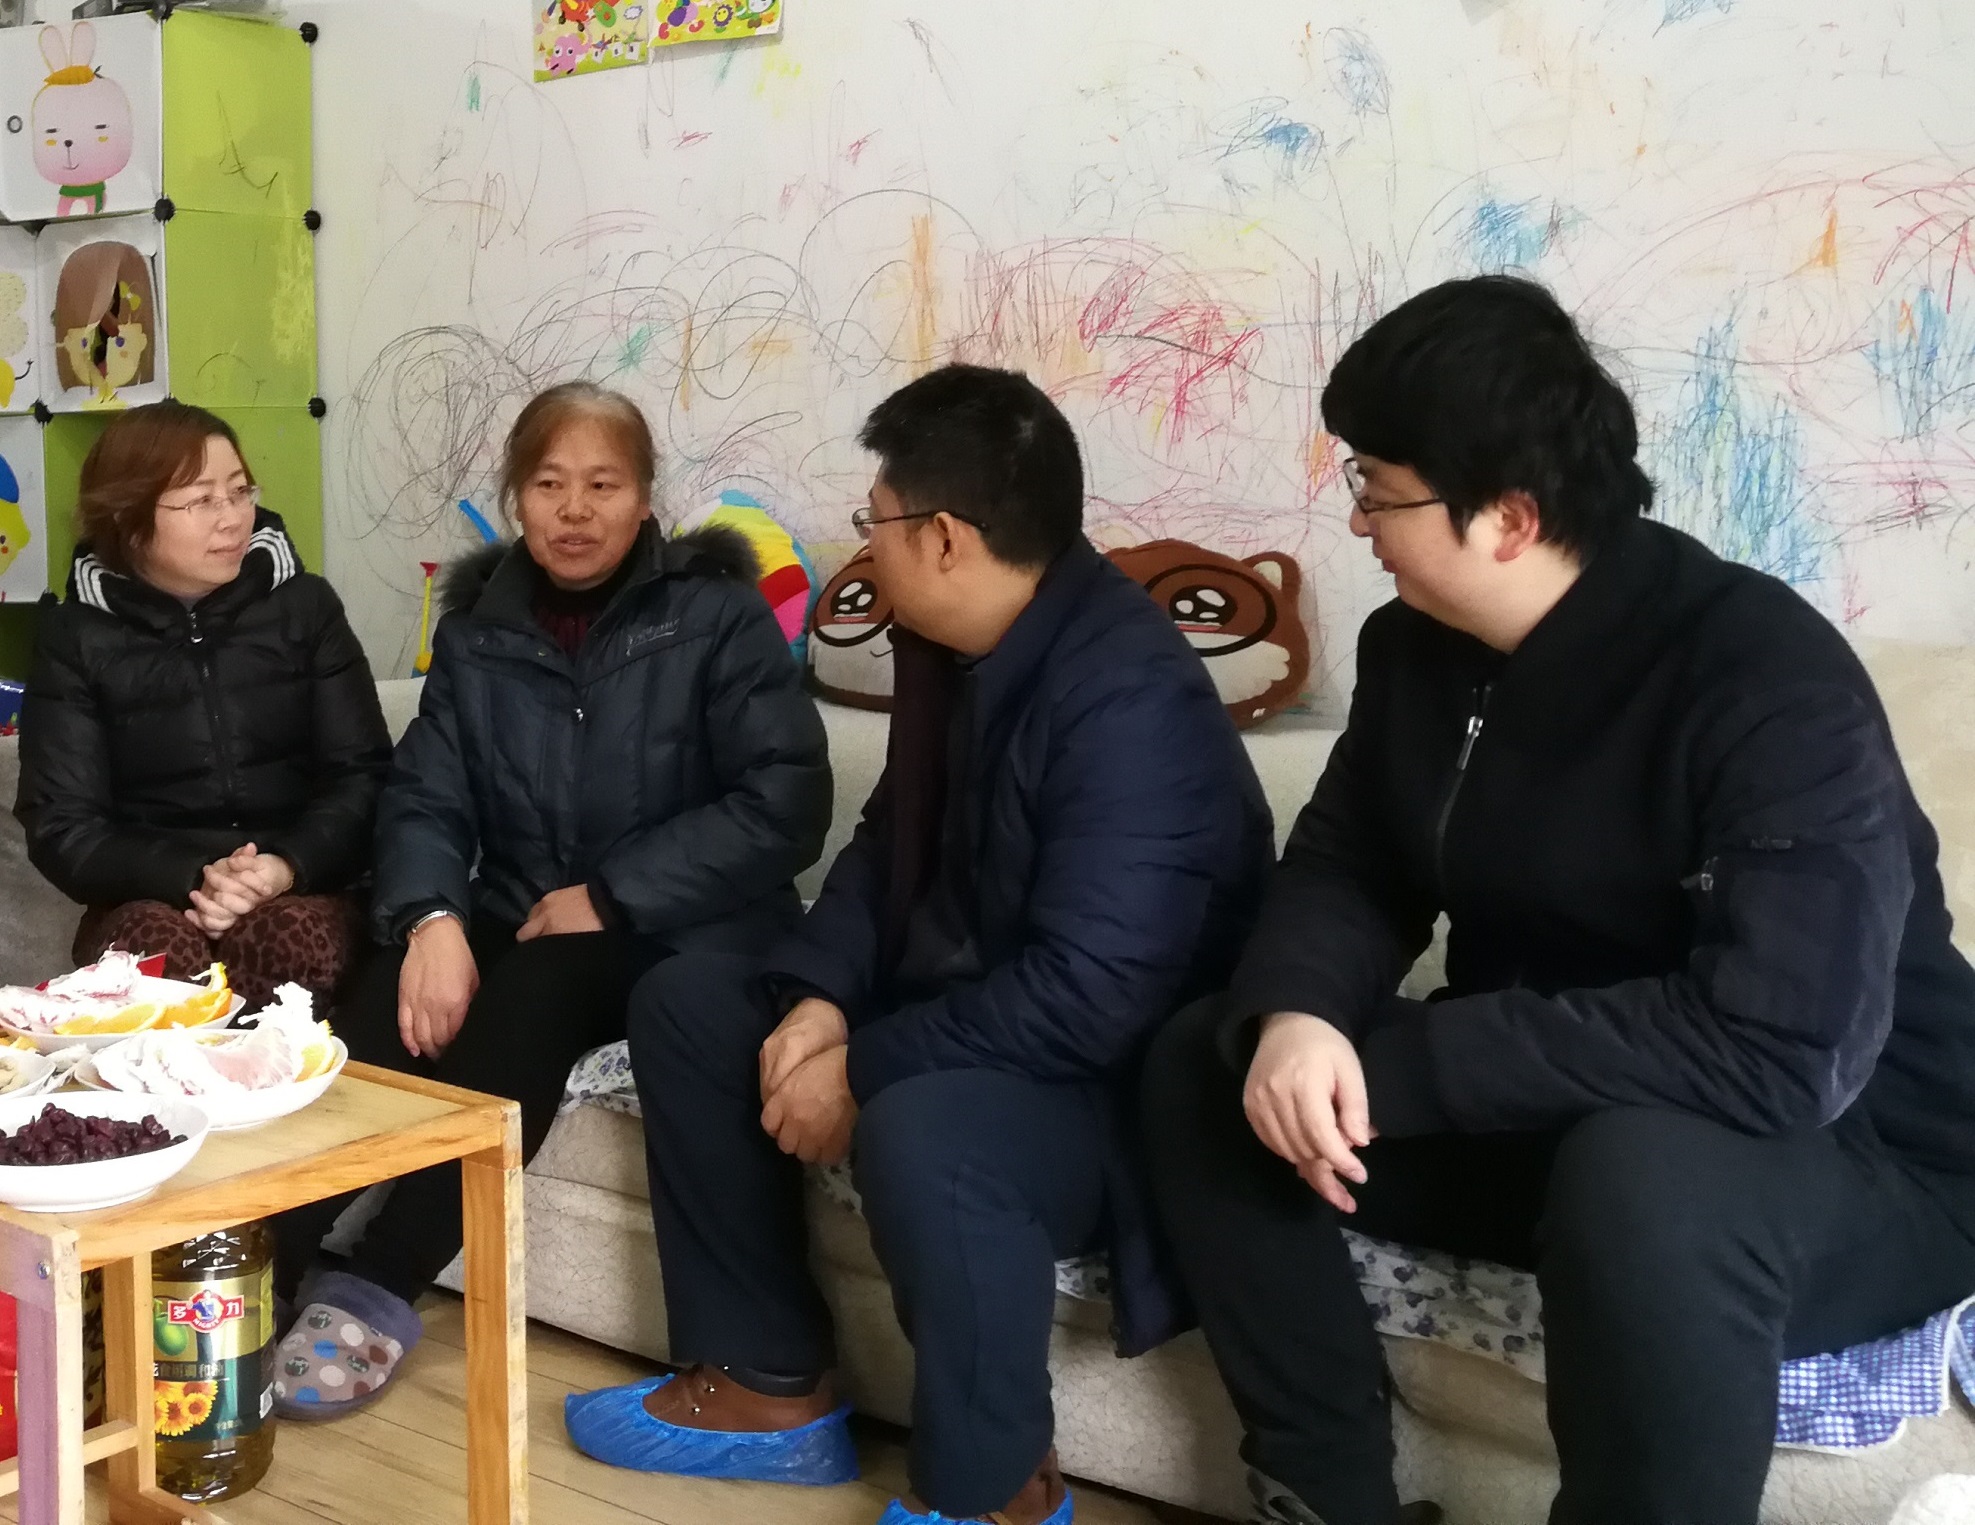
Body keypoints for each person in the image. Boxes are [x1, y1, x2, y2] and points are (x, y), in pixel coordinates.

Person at [1141, 276, 1975, 1525]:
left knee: (1640, 1176)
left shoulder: (1762, 678)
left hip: (1854, 1155)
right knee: (1210, 1064)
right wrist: (1300, 1016)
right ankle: (1325, 1495)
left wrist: (1403, 1070)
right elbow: (1351, 862)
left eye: (1377, 487)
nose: (1357, 519)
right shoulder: (1415, 648)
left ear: (1509, 518)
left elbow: (1779, 1050)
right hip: (1560, 1109)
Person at [564, 364, 1275, 1525]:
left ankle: (995, 1491)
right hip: (971, 1015)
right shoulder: (955, 644)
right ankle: (764, 1386)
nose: (867, 545)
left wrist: (864, 1065)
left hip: (1117, 1085)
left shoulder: (1128, 696)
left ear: (943, 538)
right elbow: (884, 846)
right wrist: (819, 999)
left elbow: (1091, 996)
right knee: (692, 1004)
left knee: (926, 1128)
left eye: (876, 520)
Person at [267, 381, 832, 1420]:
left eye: (602, 486)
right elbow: (427, 795)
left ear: (645, 498)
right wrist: (433, 919)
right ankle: (266, 1259)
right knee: (387, 997)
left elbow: (783, 805)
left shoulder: (714, 616)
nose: (574, 511)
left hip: (685, 928)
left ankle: (378, 1285)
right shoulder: (480, 631)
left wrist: (612, 894)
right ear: (517, 497)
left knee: (530, 994)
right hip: (526, 904)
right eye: (549, 484)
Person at [15, 401, 390, 1010]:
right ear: (127, 515)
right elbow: (63, 825)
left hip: (304, 879)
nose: (233, 518)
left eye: (240, 492)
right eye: (201, 501)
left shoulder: (305, 607)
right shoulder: (76, 636)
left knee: (283, 941)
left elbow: (363, 775)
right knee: (156, 956)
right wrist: (196, 878)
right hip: (151, 890)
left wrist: (284, 867)